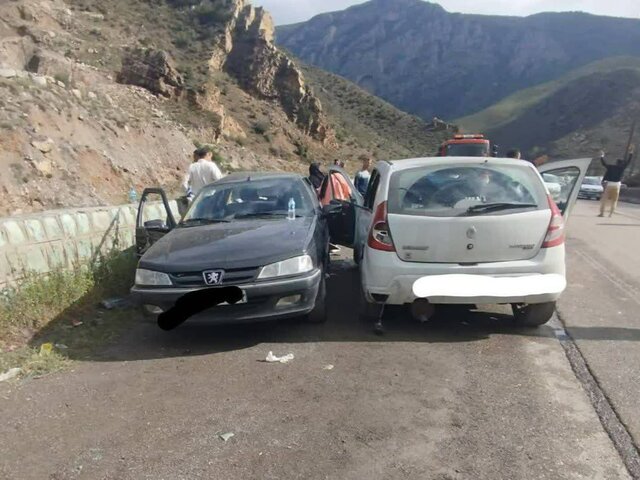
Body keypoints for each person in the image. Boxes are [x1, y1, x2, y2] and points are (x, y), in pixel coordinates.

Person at [599, 146, 634, 217]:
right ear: (621, 164)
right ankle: (610, 214)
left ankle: (602, 213)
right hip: (617, 185)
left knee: (604, 200)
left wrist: (602, 156)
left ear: (616, 163)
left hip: (609, 184)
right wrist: (631, 153)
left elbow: (604, 164)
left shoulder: (611, 167)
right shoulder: (622, 168)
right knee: (614, 201)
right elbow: (628, 162)